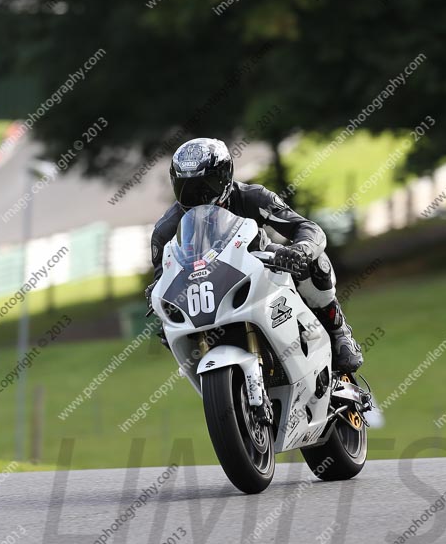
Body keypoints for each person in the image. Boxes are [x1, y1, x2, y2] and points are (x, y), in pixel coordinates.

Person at [147, 138, 363, 371]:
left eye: (206, 185)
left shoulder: (251, 196)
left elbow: (307, 228)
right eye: (187, 189)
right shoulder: (165, 230)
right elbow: (163, 277)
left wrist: (299, 250)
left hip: (259, 271)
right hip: (206, 291)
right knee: (165, 326)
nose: (198, 197)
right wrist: (156, 293)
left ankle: (338, 331)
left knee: (314, 263)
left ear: (225, 177)